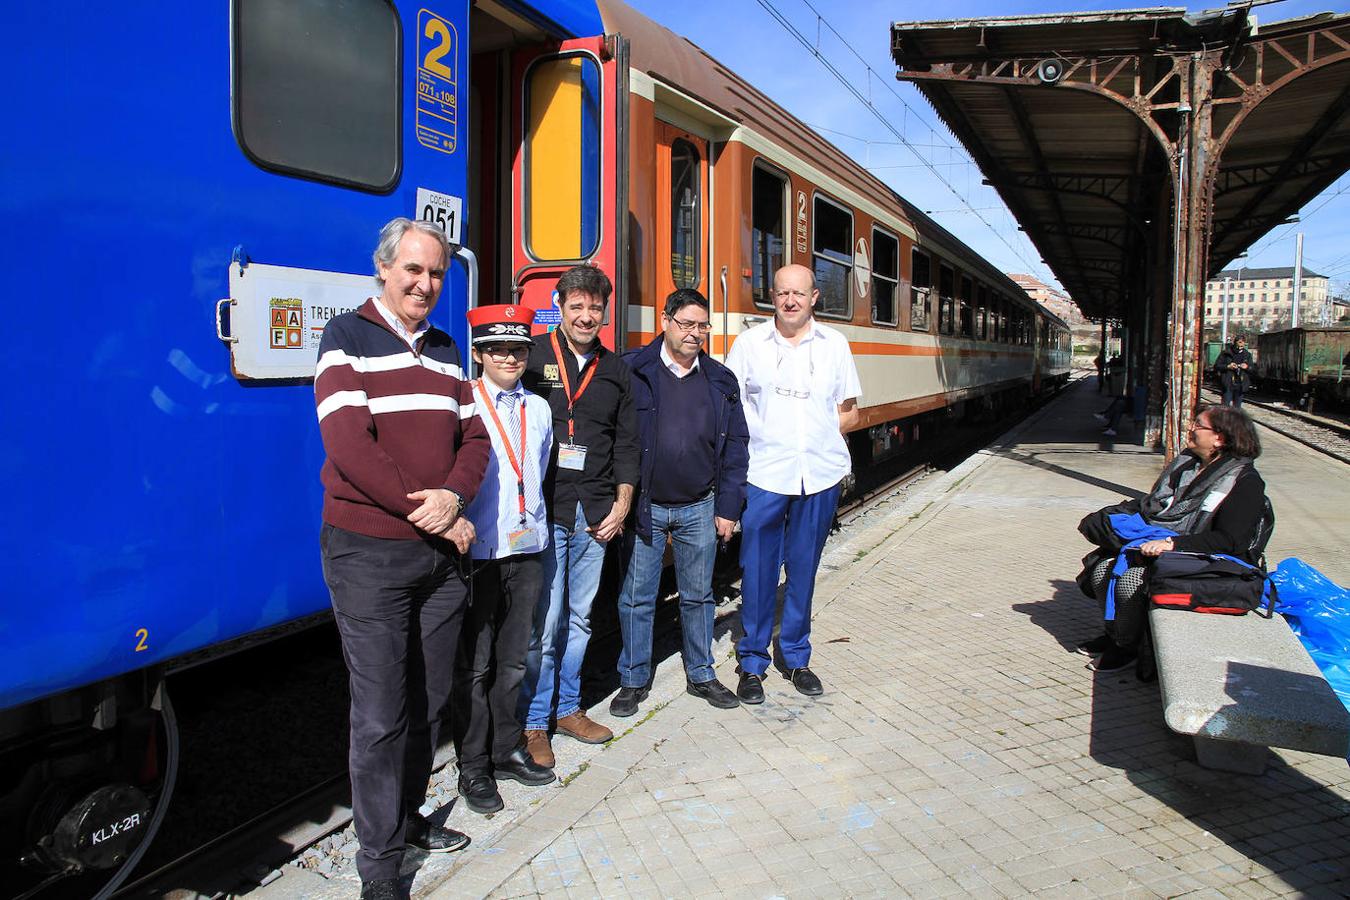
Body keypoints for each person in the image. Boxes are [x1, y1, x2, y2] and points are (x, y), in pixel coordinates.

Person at [315, 218, 490, 900]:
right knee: (381, 712)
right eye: (413, 270)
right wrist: (433, 513)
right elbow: (349, 447)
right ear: (383, 270)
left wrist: (453, 494)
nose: (425, 284)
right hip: (369, 555)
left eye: (436, 274)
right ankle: (380, 868)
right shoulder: (345, 339)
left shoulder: (448, 349)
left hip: (438, 561)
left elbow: (475, 437)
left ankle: (410, 820)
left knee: (427, 700)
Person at [519, 265, 639, 765]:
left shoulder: (616, 369)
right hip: (545, 511)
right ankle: (532, 722)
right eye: (578, 306)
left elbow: (628, 443)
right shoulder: (533, 357)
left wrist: (623, 504)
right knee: (544, 626)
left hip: (595, 513)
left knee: (581, 619)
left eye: (596, 308)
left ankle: (568, 709)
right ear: (560, 305)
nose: (587, 316)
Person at [609, 289, 750, 718]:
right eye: (686, 324)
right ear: (666, 321)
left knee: (698, 596)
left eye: (702, 326)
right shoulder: (633, 370)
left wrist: (729, 506)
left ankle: (701, 673)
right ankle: (633, 679)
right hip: (646, 507)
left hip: (699, 505)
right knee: (636, 598)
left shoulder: (721, 380)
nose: (694, 334)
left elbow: (736, 447)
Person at [726, 263, 861, 702]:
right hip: (765, 472)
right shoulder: (748, 345)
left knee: (803, 570)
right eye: (782, 293)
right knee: (759, 571)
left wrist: (817, 438)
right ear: (773, 296)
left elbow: (850, 411)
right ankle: (752, 662)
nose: (789, 301)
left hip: (819, 475)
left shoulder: (835, 345)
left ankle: (797, 657)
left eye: (798, 294)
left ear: (814, 297)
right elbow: (732, 408)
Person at [450, 305, 557, 816]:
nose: (509, 358)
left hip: (528, 549)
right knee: (474, 666)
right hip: (481, 554)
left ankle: (506, 748)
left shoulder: (538, 409)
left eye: (518, 350)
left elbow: (539, 467)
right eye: (498, 350)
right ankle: (472, 767)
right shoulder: (463, 405)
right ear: (479, 354)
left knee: (515, 660)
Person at [1078, 405, 1272, 672]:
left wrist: (1172, 544)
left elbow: (1231, 540)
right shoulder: (1188, 466)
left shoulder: (1246, 481)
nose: (1190, 428)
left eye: (1198, 424)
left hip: (1209, 559)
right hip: (1173, 545)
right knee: (1102, 570)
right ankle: (1116, 633)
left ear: (1220, 438)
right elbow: (1157, 507)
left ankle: (1127, 647)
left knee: (1131, 580)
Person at [1216, 335, 1253, 407]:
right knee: (1225, 406)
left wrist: (1247, 367)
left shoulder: (1247, 355)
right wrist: (1228, 366)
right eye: (1239, 343)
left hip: (1240, 384)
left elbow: (1252, 369)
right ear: (1235, 343)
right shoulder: (1226, 353)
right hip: (1228, 383)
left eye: (1242, 344)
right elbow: (1217, 366)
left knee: (1237, 408)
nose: (1240, 346)